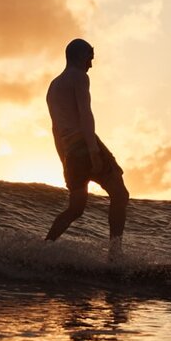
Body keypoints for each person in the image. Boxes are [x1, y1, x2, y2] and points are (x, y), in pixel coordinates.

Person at [44, 38, 129, 255]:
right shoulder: (79, 77)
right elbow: (85, 115)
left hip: (70, 153)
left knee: (75, 208)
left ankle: (44, 248)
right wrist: (94, 152)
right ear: (81, 57)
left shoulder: (53, 86)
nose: (91, 65)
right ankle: (115, 255)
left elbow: (55, 129)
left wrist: (64, 161)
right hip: (85, 144)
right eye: (90, 59)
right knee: (120, 195)